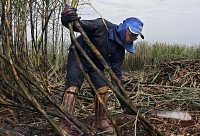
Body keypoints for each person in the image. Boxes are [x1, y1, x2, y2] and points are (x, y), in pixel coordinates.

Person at [58, 5, 144, 136]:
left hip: (96, 64)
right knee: (73, 88)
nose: (133, 38)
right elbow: (76, 25)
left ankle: (100, 121)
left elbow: (116, 74)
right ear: (124, 29)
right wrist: (67, 17)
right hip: (79, 56)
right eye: (132, 34)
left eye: (135, 37)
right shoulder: (101, 25)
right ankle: (65, 123)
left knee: (103, 88)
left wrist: (124, 100)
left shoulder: (120, 50)